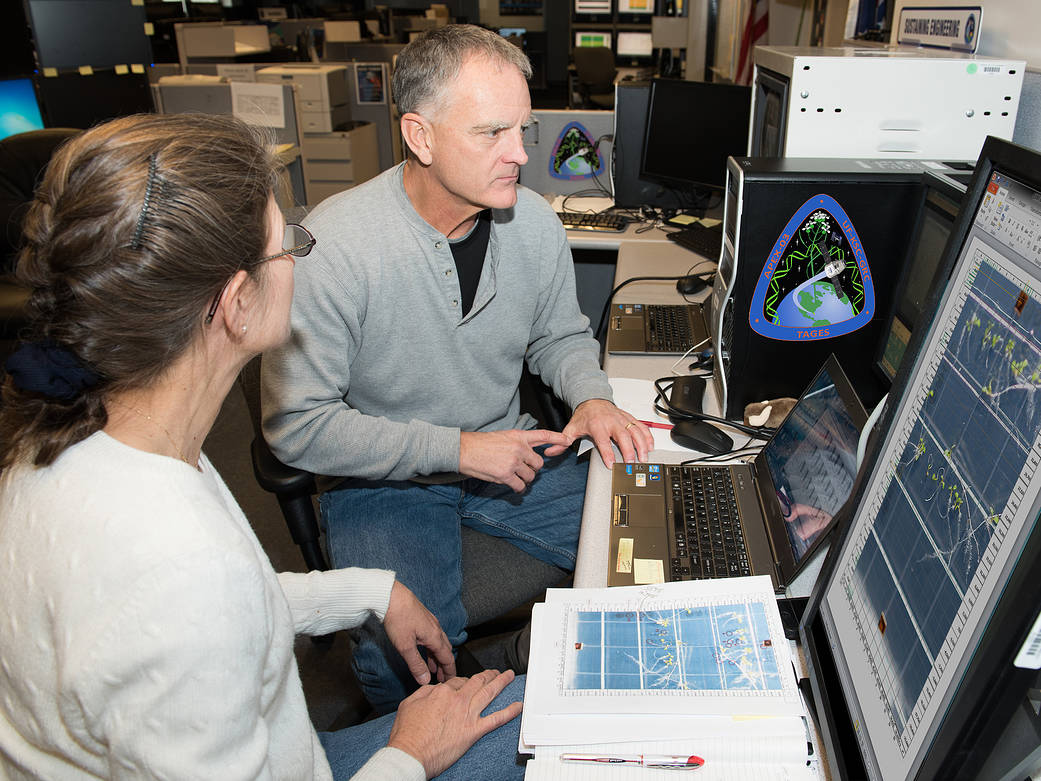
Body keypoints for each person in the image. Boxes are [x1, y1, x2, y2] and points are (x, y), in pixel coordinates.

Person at [0, 112, 525, 780]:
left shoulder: (89, 435)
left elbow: (217, 610)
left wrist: (370, 591)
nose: (297, 262)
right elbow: (194, 598)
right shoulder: (176, 558)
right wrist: (411, 753)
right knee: (550, 720)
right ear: (235, 301)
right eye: (287, 246)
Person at [262, 23, 654, 713]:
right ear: (420, 136)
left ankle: (529, 661)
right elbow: (297, 426)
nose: (519, 154)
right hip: (385, 479)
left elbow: (559, 335)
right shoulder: (337, 247)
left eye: (522, 130)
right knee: (405, 663)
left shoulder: (533, 224)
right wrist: (458, 449)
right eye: (491, 133)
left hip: (513, 453)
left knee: (652, 542)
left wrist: (589, 396)